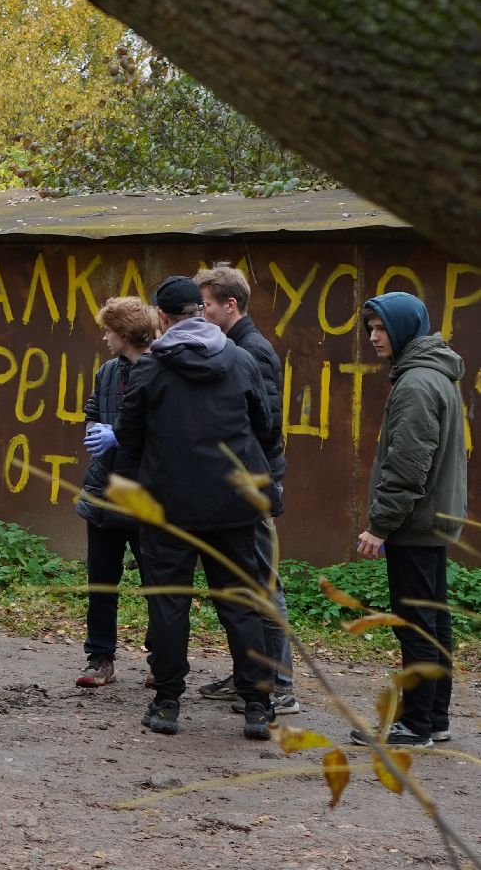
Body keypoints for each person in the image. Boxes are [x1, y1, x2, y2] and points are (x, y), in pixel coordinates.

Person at [113, 275, 281, 740]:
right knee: (242, 605)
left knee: (169, 605)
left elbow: (128, 434)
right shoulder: (241, 360)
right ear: (201, 311)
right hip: (234, 505)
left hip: (170, 508)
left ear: (162, 318)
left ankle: (167, 703)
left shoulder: (150, 368)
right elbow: (266, 427)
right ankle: (257, 707)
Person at [350, 292, 466, 749]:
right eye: (371, 328)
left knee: (416, 623)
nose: (374, 337)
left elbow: (408, 466)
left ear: (403, 329)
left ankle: (416, 725)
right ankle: (433, 717)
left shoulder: (416, 384)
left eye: (380, 328)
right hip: (430, 521)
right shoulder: (433, 375)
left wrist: (380, 524)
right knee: (432, 622)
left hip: (414, 524)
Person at [195, 263, 298, 715]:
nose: (202, 313)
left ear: (229, 305)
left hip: (252, 485)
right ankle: (251, 675)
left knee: (262, 583)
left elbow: (265, 426)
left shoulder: (251, 352)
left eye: (207, 305)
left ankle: (278, 685)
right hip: (245, 481)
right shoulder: (236, 347)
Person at [73, 297, 157, 688]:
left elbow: (163, 432)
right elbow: (95, 408)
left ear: (124, 334)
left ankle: (163, 661)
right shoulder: (108, 371)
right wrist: (94, 426)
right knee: (101, 581)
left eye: (108, 330)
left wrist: (118, 438)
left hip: (145, 496)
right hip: (104, 492)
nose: (104, 337)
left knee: (159, 586)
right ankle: (100, 658)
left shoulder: (161, 371)